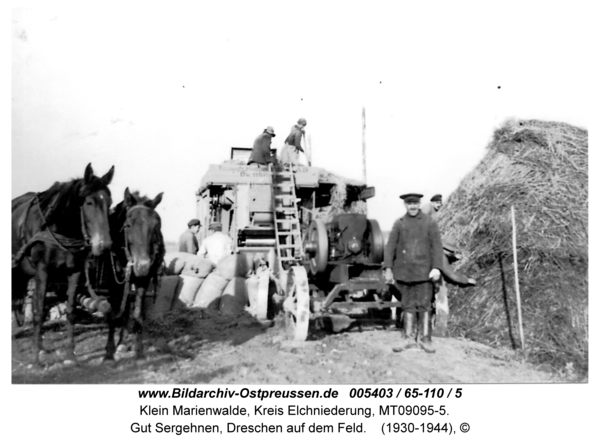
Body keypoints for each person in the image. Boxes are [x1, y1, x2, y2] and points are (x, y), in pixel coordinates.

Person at [384, 193, 444, 353]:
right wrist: (388, 268)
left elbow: (437, 246)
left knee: (425, 305)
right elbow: (390, 247)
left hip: (424, 272)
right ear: (404, 205)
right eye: (409, 204)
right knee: (408, 305)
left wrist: (437, 268)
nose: (412, 207)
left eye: (415, 203)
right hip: (404, 273)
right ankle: (408, 339)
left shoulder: (429, 222)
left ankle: (426, 339)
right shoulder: (399, 223)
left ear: (419, 204)